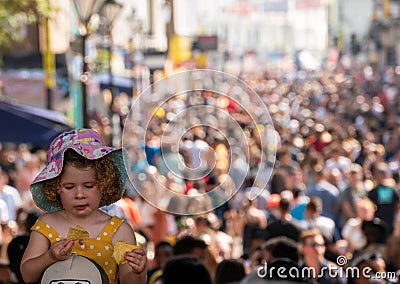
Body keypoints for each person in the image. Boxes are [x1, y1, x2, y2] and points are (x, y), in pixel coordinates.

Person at [20, 129, 147, 284]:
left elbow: (129, 281)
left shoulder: (119, 231)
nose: (79, 194)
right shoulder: (46, 225)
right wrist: (50, 257)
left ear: (103, 183)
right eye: (69, 187)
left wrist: (138, 272)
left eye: (88, 186)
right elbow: (27, 275)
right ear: (55, 187)